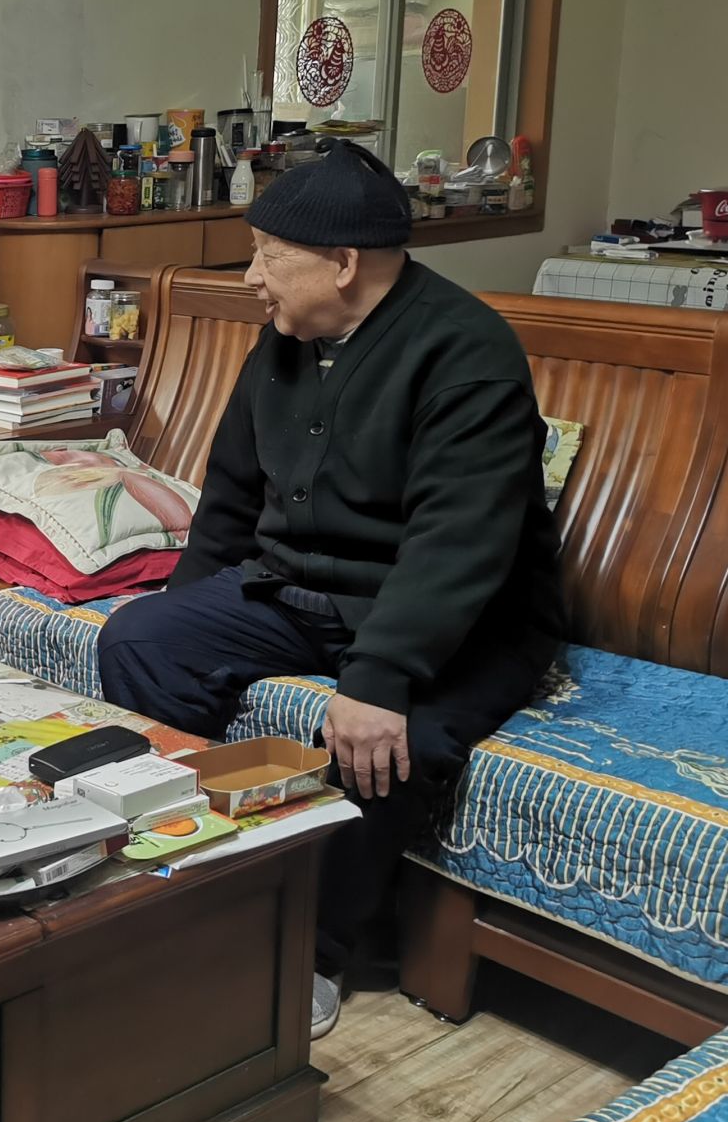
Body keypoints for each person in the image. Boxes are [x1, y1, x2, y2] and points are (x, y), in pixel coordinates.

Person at [94, 141, 562, 1040]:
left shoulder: (466, 352)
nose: (252, 279)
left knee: (384, 740)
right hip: (297, 592)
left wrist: (380, 677)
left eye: (269, 257)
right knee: (142, 641)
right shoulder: (286, 340)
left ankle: (308, 955)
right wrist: (181, 606)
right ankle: (193, 886)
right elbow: (232, 497)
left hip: (454, 619)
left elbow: (460, 540)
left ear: (344, 263)